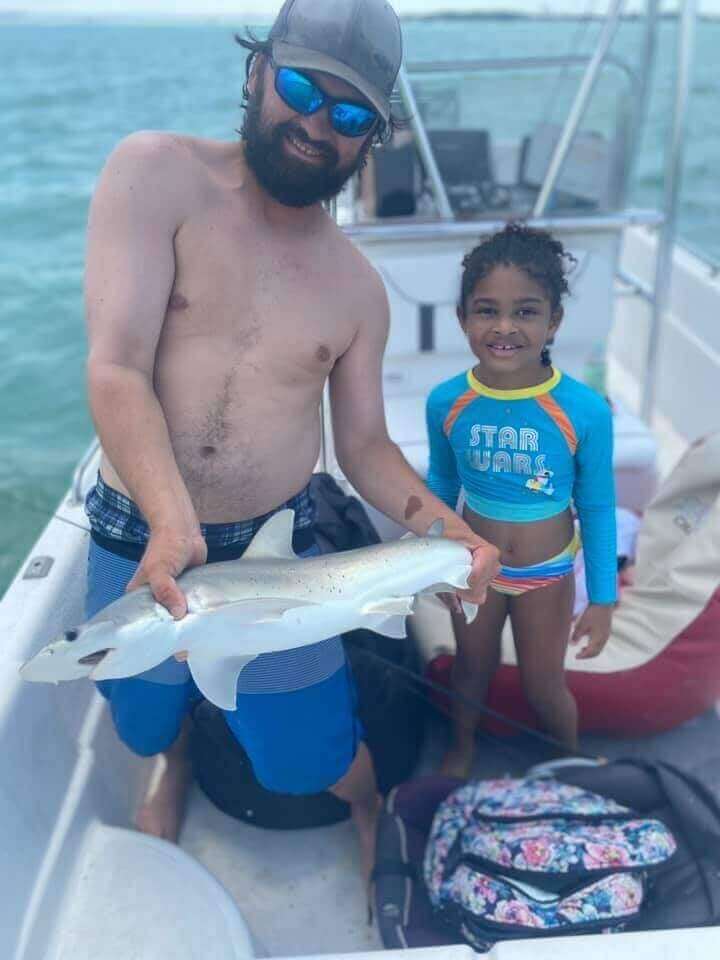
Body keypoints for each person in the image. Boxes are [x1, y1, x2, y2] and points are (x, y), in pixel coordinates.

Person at [82, 0, 500, 879]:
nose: (317, 125)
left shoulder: (356, 287)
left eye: (349, 115)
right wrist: (169, 522)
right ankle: (179, 756)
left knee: (305, 760)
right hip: (137, 530)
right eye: (302, 88)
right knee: (140, 716)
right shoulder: (154, 174)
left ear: (371, 139)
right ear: (255, 72)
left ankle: (363, 804)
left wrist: (444, 531)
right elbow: (117, 367)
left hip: (272, 556)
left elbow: (364, 451)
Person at [426, 223, 617, 778]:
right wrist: (436, 562)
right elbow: (441, 487)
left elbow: (599, 508)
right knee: (470, 669)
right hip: (473, 570)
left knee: (543, 684)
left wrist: (602, 598)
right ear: (462, 317)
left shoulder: (584, 410)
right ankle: (460, 749)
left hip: (548, 573)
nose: (504, 327)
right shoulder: (447, 402)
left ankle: (567, 764)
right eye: (486, 310)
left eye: (526, 311)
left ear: (554, 321)